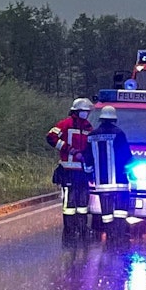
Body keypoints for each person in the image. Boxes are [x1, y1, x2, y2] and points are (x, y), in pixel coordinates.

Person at [46, 99, 96, 233]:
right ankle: (69, 229)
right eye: (84, 111)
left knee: (83, 201)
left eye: (88, 112)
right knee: (69, 202)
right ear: (77, 111)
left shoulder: (88, 127)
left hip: (82, 171)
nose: (86, 114)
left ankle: (81, 227)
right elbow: (51, 137)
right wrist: (70, 150)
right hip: (68, 170)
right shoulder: (65, 124)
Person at [88, 106, 134, 232]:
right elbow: (126, 155)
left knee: (106, 214)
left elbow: (88, 158)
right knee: (120, 211)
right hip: (119, 181)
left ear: (101, 119)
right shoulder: (118, 134)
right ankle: (120, 233)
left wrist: (89, 174)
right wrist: (131, 172)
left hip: (102, 183)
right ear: (114, 119)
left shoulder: (92, 135)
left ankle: (109, 234)